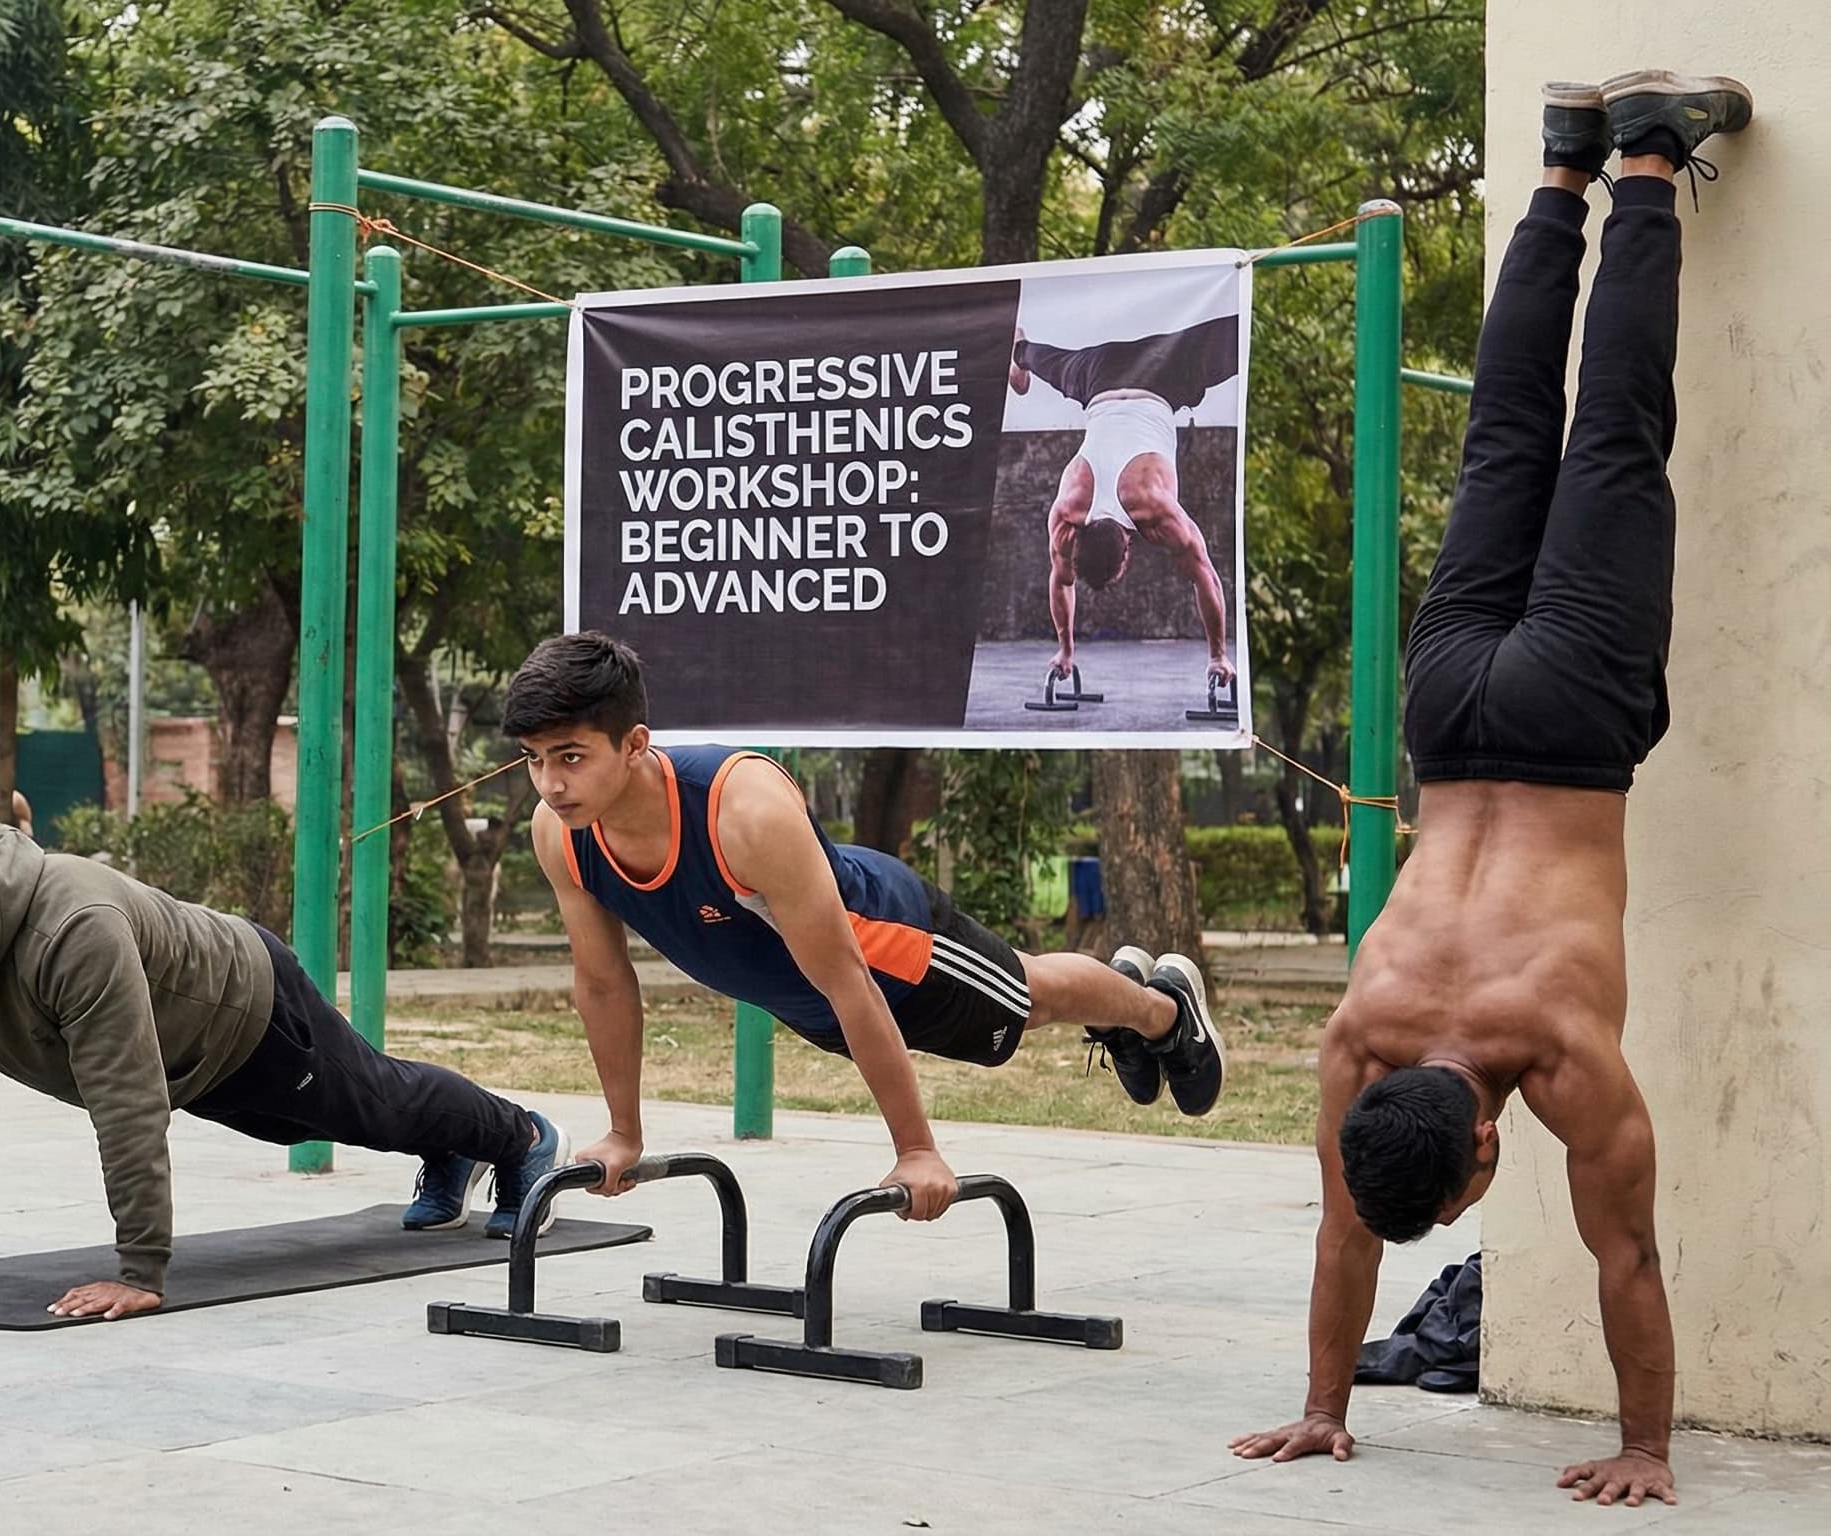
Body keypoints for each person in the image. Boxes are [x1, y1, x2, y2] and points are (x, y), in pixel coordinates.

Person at [1228, 71, 1753, 1509]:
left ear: (1474, 1143)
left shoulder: (1562, 1063)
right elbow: (1347, 1227)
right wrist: (1322, 1406)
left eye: (1468, 1192)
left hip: (1574, 721)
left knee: (1615, 434)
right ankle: (1562, 171)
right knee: (1509, 436)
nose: (1478, 1190)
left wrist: (1649, 1450)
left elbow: (1625, 1258)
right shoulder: (1359, 1039)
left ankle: (1648, 154)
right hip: (1448, 720)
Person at [500, 632, 1227, 1219]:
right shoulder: (559, 831)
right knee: (1023, 1000)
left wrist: (915, 1149)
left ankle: (1159, 1009)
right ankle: (1131, 996)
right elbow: (602, 982)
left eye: (571, 758)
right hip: (811, 997)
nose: (551, 783)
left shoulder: (743, 812)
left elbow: (849, 973)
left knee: (1027, 999)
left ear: (634, 744)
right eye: (534, 761)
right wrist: (624, 1132)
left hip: (892, 948)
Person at [0, 812, 562, 1320]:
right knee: (324, 1122)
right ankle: (451, 1144)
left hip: (247, 1004)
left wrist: (140, 1270)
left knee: (372, 1106)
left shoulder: (73, 928)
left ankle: (518, 1137)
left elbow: (125, 1097)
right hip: (190, 1053)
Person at [1008, 312, 1241, 694]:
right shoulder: (1070, 510)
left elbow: (1206, 576)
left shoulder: (1154, 510)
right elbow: (1062, 578)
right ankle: (1020, 351)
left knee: (1236, 337)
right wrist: (1064, 650)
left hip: (1163, 373)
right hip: (1097, 373)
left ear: (1129, 550)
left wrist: (1218, 656)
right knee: (1052, 365)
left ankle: (1019, 353)